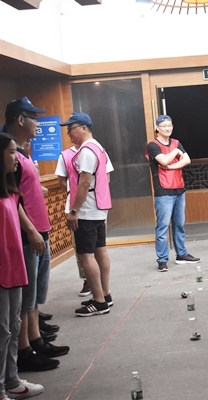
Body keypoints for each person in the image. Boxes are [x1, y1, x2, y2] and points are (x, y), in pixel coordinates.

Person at [3, 97, 69, 372]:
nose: (38, 125)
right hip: (26, 232)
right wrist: (30, 229)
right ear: (20, 120)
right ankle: (25, 350)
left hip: (38, 229)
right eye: (34, 119)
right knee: (25, 297)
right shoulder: (11, 156)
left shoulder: (22, 153)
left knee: (32, 295)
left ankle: (35, 340)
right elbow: (12, 197)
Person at [0, 132, 45, 400]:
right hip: (2, 268)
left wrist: (31, 231)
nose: (16, 157)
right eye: (10, 152)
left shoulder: (9, 189)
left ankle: (12, 380)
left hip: (15, 266)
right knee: (2, 329)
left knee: (14, 325)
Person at [60, 112, 115, 316]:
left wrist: (73, 210)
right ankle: (105, 295)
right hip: (99, 208)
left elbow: (84, 182)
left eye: (71, 129)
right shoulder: (99, 147)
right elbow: (106, 178)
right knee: (100, 251)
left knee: (86, 255)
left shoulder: (86, 150)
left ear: (84, 128)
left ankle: (99, 302)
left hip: (86, 210)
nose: (69, 133)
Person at [146, 115, 200, 272]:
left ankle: (181, 254)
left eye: (169, 125)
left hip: (179, 188)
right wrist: (175, 153)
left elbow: (187, 160)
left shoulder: (176, 142)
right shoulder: (153, 145)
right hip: (163, 191)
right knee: (163, 227)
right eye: (164, 126)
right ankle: (162, 260)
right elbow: (162, 161)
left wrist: (172, 166)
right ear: (157, 128)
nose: (167, 128)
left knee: (179, 224)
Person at [55, 143, 91, 295]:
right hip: (74, 208)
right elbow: (61, 181)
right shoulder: (65, 155)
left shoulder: (95, 150)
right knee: (79, 246)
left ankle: (100, 281)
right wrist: (74, 194)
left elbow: (106, 176)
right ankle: (87, 280)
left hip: (95, 207)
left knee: (98, 246)